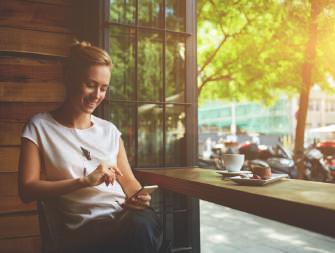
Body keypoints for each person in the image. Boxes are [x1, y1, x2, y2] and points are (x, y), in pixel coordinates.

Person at [18, 41, 164, 253]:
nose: (97, 95)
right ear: (70, 78)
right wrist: (83, 181)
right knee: (142, 232)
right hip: (85, 231)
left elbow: (129, 181)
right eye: (90, 84)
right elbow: (27, 189)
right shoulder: (40, 127)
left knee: (143, 224)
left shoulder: (109, 131)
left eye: (103, 88)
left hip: (126, 218)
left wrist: (139, 197)